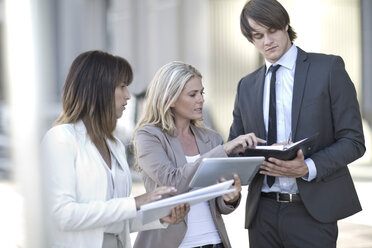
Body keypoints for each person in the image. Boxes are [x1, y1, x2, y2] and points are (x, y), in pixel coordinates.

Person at [228, 0, 366, 247]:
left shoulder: (328, 69)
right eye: (258, 36)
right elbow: (234, 149)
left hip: (312, 213)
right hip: (262, 215)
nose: (267, 41)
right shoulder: (246, 86)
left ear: (285, 26)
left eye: (272, 31)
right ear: (250, 39)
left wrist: (308, 167)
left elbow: (354, 141)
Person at [42, 50, 190, 248]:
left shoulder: (115, 146)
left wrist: (161, 218)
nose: (128, 96)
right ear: (98, 90)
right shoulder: (61, 138)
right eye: (122, 87)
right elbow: (62, 214)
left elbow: (117, 220)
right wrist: (135, 202)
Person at [132, 61, 265, 248]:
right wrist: (224, 150)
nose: (201, 99)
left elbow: (218, 202)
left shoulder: (211, 138)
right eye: (192, 94)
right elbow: (172, 182)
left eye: (201, 93)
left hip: (214, 241)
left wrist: (230, 197)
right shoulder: (149, 136)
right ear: (170, 99)